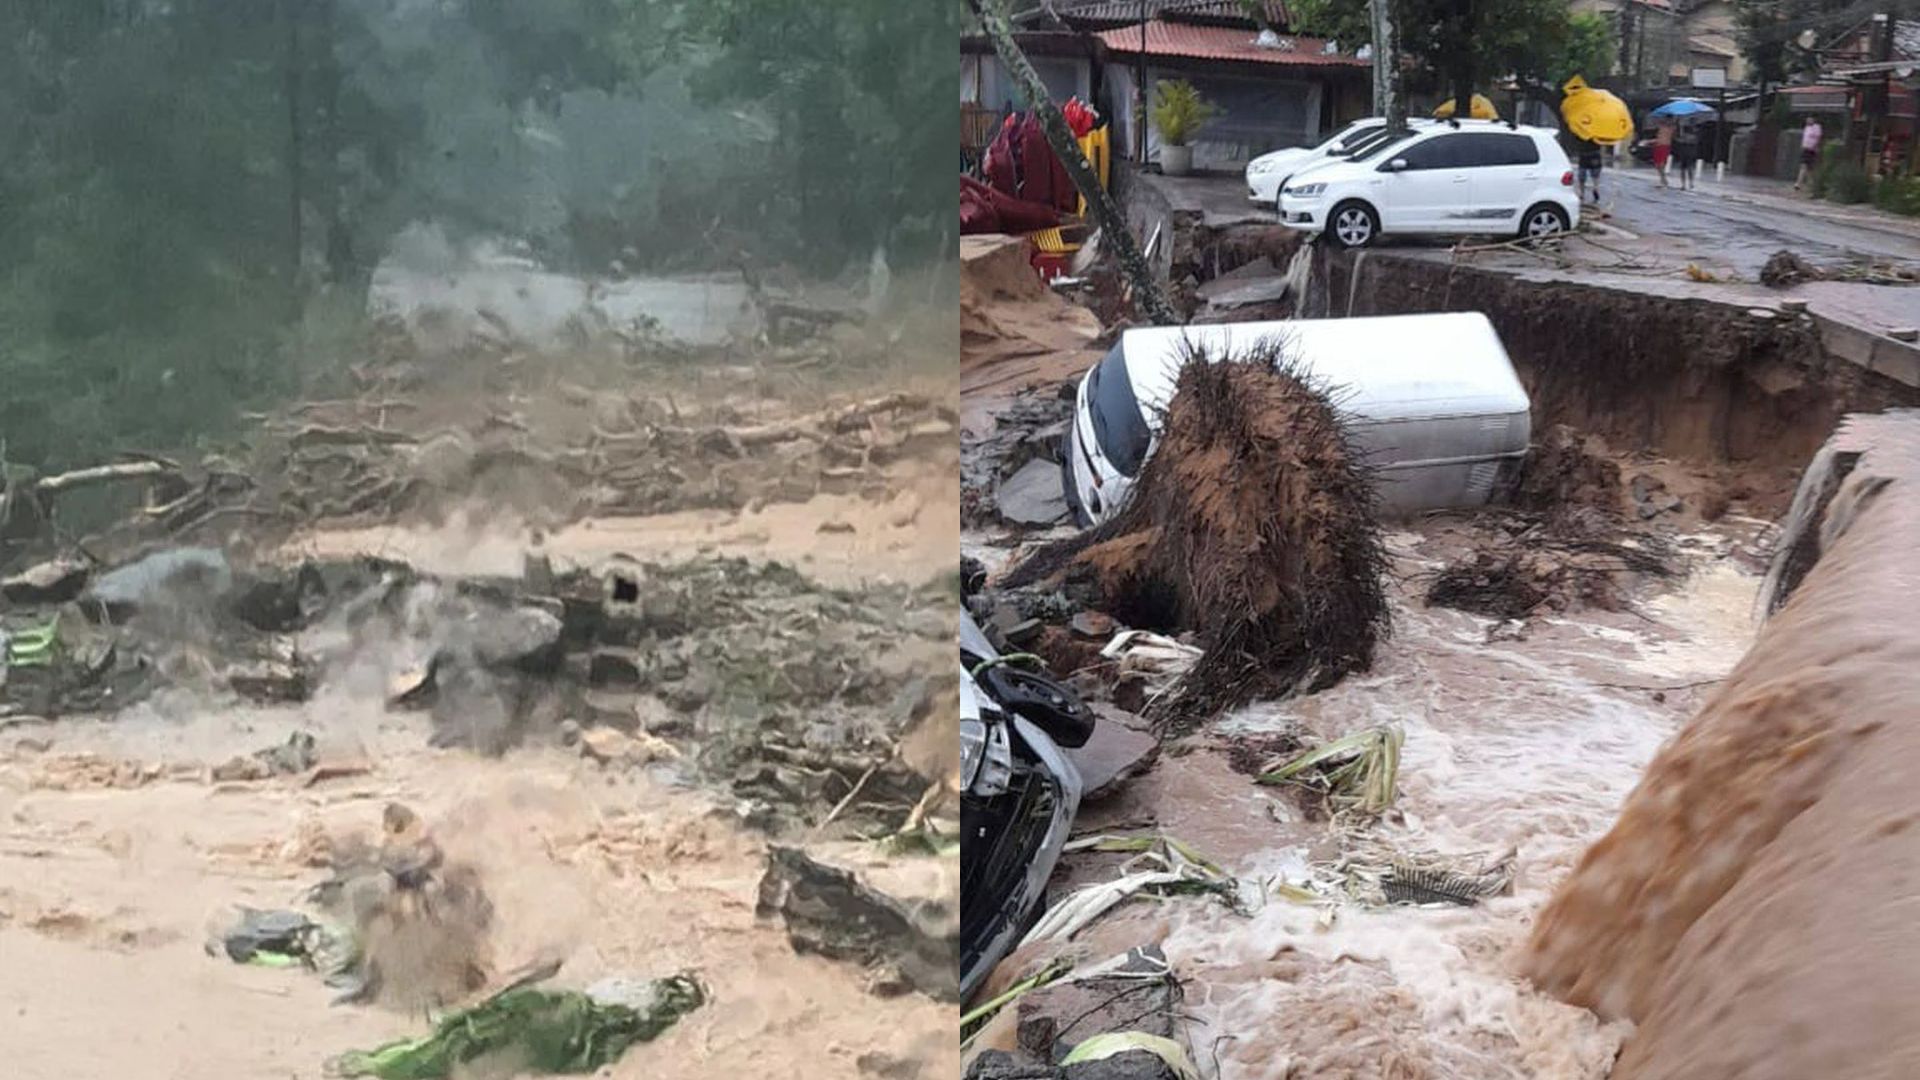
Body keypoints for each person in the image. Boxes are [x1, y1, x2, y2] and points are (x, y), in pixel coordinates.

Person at [1794, 117, 1823, 191]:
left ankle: (1800, 184)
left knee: (1806, 167)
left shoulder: (1817, 128)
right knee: (1806, 168)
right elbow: (1805, 139)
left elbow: (1818, 138)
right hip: (1805, 149)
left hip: (1811, 150)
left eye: (1810, 119)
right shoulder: (1807, 128)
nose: (1808, 121)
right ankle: (1810, 184)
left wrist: (1815, 147)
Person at [1574, 134, 1604, 205]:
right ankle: (1595, 188)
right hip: (1594, 154)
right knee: (1595, 176)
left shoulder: (1582, 131)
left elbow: (1577, 137)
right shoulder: (1598, 131)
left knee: (1582, 176)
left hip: (1584, 154)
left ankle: (1582, 194)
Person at [1672, 121, 1700, 190]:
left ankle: (1687, 184)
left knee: (1685, 169)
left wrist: (1676, 136)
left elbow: (1680, 140)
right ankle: (1687, 184)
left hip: (1687, 153)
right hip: (1687, 153)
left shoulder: (1692, 136)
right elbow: (1679, 140)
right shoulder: (1693, 136)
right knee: (1686, 169)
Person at [1652, 119, 1674, 188]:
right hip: (1659, 146)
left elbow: (1661, 140)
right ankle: (1663, 180)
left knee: (1660, 164)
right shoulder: (1665, 129)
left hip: (1662, 147)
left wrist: (1649, 141)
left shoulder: (1667, 129)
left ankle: (1664, 181)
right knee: (1658, 165)